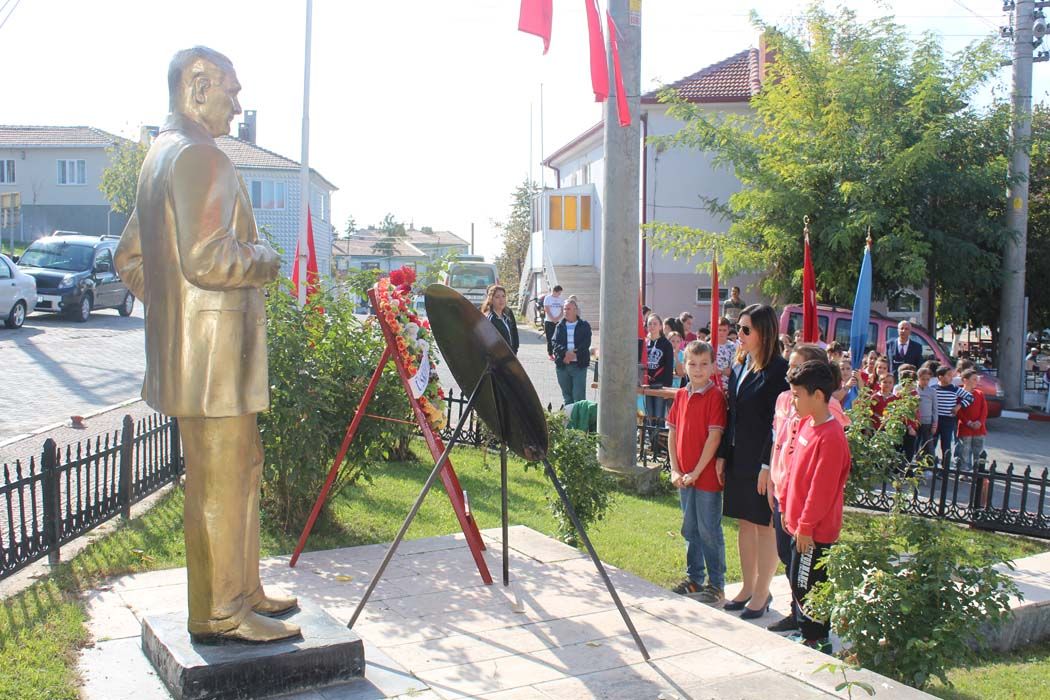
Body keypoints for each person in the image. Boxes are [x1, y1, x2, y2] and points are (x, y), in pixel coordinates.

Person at [114, 47, 298, 643]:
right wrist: (265, 260)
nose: (238, 106)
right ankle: (221, 612)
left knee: (240, 469)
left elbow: (130, 259)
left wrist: (175, 311)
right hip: (216, 365)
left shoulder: (160, 157)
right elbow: (208, 258)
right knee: (221, 483)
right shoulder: (200, 156)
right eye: (231, 91)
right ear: (198, 88)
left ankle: (243, 589)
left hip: (199, 361)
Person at [767, 346, 849, 634]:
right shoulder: (806, 425)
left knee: (810, 586)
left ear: (818, 396)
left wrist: (805, 526)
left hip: (813, 531)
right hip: (798, 524)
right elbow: (794, 474)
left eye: (798, 396)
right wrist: (787, 509)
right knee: (797, 580)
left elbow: (820, 489)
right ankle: (805, 631)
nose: (793, 401)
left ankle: (815, 639)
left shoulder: (831, 436)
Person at [716, 304, 788, 620]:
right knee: (744, 522)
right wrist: (723, 454)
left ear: (764, 332)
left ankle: (762, 593)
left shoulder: (778, 372)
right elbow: (731, 414)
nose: (739, 335)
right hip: (738, 456)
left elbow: (777, 423)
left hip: (761, 461)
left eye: (746, 329)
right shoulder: (740, 364)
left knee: (763, 525)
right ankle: (748, 587)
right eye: (738, 328)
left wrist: (766, 466)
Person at [668, 341, 728, 605]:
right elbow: (672, 432)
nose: (698, 369)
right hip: (685, 477)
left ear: (713, 366)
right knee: (689, 528)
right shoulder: (682, 394)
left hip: (706, 479)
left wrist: (696, 471)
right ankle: (694, 578)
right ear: (684, 365)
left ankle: (716, 584)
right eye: (692, 364)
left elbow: (714, 438)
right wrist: (675, 469)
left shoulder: (715, 397)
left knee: (708, 530)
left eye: (704, 364)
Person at [644, 313, 676, 452]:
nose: (652, 326)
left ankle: (659, 445)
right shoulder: (645, 343)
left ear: (660, 326)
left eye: (654, 324)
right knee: (649, 414)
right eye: (649, 324)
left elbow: (669, 367)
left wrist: (666, 388)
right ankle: (652, 444)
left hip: (660, 385)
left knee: (659, 415)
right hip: (647, 384)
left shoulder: (666, 344)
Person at [552, 299, 591, 405]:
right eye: (564, 309)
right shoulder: (560, 326)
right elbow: (554, 342)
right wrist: (565, 353)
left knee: (579, 396)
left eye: (568, 309)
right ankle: (569, 416)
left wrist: (574, 353)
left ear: (575, 310)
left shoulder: (584, 325)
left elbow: (586, 343)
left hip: (579, 366)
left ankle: (580, 416)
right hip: (563, 365)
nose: (566, 311)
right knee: (567, 397)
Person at [933, 365, 973, 467]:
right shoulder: (933, 388)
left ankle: (945, 467)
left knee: (946, 444)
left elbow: (970, 398)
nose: (951, 377)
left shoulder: (954, 389)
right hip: (935, 419)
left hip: (948, 420)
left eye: (952, 375)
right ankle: (930, 466)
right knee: (932, 442)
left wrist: (959, 406)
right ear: (940, 377)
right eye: (948, 375)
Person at [956, 369, 988, 472]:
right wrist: (968, 422)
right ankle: (965, 471)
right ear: (965, 380)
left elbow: (984, 410)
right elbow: (958, 411)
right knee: (964, 451)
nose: (976, 381)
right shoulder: (959, 394)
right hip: (965, 428)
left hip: (979, 428)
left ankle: (978, 472)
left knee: (979, 451)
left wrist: (980, 422)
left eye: (976, 379)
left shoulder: (979, 393)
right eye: (974, 379)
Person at [481, 284, 519, 354]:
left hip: (510, 356)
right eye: (497, 297)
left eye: (503, 296)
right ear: (491, 299)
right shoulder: (490, 319)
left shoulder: (506, 317)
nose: (501, 300)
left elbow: (514, 334)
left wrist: (514, 351)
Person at [916, 367, 939, 460]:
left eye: (927, 379)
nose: (925, 381)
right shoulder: (914, 390)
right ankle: (915, 460)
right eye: (923, 379)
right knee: (915, 442)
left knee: (928, 443)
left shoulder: (932, 391)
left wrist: (934, 424)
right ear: (918, 378)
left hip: (927, 421)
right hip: (916, 421)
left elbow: (935, 409)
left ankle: (931, 463)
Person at [543, 285, 565, 358]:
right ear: (555, 291)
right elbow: (547, 309)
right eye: (559, 293)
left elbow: (562, 310)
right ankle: (550, 354)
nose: (560, 294)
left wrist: (557, 318)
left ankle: (557, 353)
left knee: (558, 338)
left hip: (559, 322)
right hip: (549, 321)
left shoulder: (561, 299)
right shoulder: (548, 298)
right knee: (550, 338)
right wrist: (553, 319)